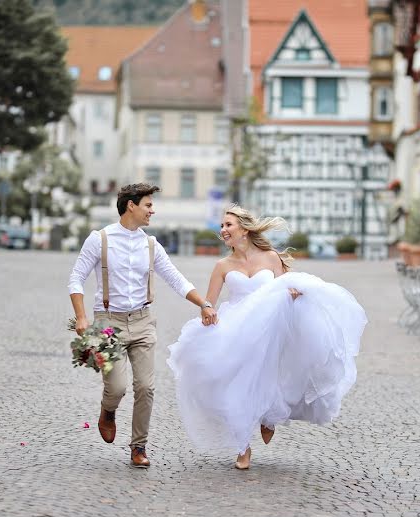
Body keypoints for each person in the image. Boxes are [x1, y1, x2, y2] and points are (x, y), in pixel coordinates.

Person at [167, 205, 367, 469]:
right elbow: (210, 303)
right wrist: (207, 312)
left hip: (271, 329)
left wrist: (295, 294)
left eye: (228, 225)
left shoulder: (271, 258)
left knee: (271, 377)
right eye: (222, 226)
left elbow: (286, 286)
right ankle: (243, 447)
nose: (223, 230)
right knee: (239, 385)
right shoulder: (222, 265)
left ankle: (268, 416)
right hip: (237, 330)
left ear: (244, 229)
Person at [68, 183, 217, 468]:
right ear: (131, 205)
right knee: (117, 388)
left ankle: (138, 446)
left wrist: (204, 304)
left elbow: (176, 278)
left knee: (146, 387)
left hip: (143, 321)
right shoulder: (99, 239)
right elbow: (75, 279)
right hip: (107, 324)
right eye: (148, 205)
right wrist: (82, 317)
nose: (153, 210)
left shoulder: (150, 244)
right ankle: (108, 411)